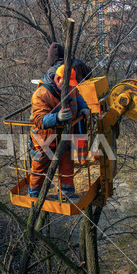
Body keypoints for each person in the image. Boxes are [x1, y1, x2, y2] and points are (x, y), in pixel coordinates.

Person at [28, 64, 90, 200]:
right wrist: (57, 117)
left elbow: (78, 97)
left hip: (65, 136)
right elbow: (39, 120)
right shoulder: (41, 94)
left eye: (72, 85)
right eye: (67, 85)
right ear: (57, 80)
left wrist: (84, 107)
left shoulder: (70, 87)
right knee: (39, 168)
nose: (70, 88)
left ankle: (66, 195)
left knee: (67, 165)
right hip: (45, 140)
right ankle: (34, 195)